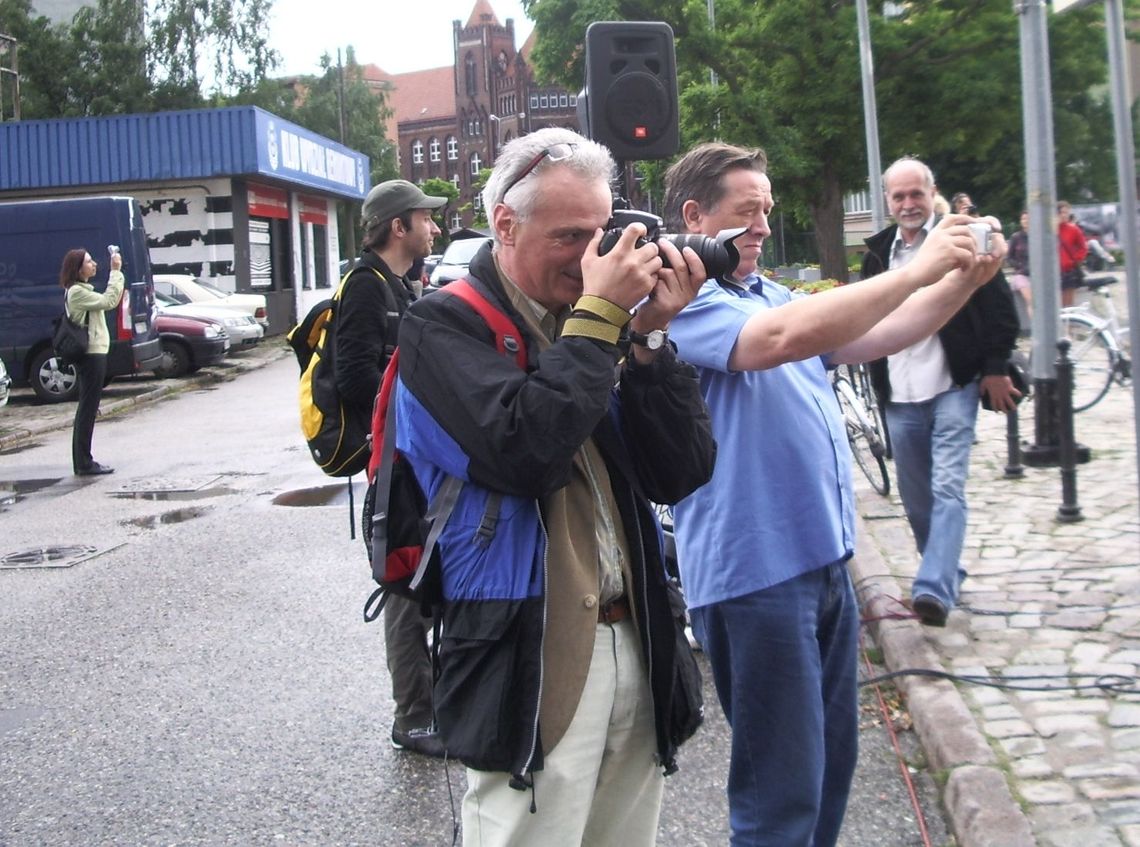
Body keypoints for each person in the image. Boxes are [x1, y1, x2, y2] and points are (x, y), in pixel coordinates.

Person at [661, 142, 1005, 847]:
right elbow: (782, 338)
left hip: (822, 563)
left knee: (827, 773)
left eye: (767, 211)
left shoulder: (765, 290)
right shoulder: (680, 299)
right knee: (780, 793)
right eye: (746, 212)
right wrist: (922, 265)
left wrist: (964, 280)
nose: (762, 225)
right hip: (753, 574)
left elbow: (875, 333)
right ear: (695, 215)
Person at [395, 126, 716, 845]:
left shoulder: (598, 324)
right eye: (571, 236)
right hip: (531, 650)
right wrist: (603, 320)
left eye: (604, 232)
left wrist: (653, 339)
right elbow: (524, 452)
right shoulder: (439, 326)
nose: (595, 256)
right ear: (505, 224)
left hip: (636, 633)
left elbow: (681, 470)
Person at [862, 158, 1020, 630]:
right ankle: (946, 567)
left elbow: (1000, 309)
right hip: (900, 394)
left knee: (948, 486)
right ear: (888, 201)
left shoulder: (964, 239)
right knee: (916, 499)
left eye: (916, 194)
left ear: (933, 194)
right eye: (899, 196)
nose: (909, 204)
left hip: (954, 385)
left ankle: (932, 586)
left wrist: (994, 368)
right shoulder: (877, 254)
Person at [334, 179, 446, 758]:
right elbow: (353, 378)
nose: (435, 228)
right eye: (426, 219)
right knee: (405, 584)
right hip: (395, 464)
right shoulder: (363, 287)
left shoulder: (397, 284)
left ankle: (435, 702)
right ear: (398, 227)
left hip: (415, 457)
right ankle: (415, 716)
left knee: (429, 576)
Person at [62, 247, 125, 476]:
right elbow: (110, 301)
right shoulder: (77, 292)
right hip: (90, 354)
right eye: (89, 262)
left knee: (88, 407)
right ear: (77, 268)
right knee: (87, 408)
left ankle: (84, 460)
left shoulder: (80, 290)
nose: (94, 264)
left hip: (95, 352)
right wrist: (116, 271)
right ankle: (84, 462)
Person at [1057, 199, 1088, 307]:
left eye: (1067, 212)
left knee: (1069, 303)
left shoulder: (1073, 230)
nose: (1065, 215)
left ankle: (1069, 324)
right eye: (1062, 212)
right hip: (1054, 271)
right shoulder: (1050, 229)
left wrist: (1075, 260)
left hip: (1068, 270)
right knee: (1057, 302)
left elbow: (1083, 247)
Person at [1007, 210, 1033, 327]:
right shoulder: (1016, 237)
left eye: (1028, 219)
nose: (1026, 221)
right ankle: (1036, 327)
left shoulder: (1038, 237)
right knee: (1031, 300)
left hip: (1036, 274)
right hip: (1021, 273)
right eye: (1023, 219)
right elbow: (1009, 257)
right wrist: (1019, 265)